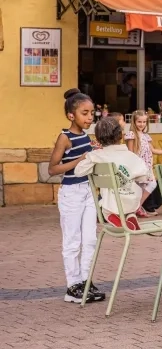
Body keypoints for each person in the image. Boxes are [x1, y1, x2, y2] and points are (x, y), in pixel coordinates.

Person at [47, 89, 105, 304]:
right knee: (72, 241)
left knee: (90, 239)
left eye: (92, 113)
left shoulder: (86, 136)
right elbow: (53, 169)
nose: (90, 117)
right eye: (85, 113)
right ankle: (72, 285)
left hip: (89, 191)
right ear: (71, 115)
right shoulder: (65, 137)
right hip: (71, 193)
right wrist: (81, 159)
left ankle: (85, 281)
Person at [77, 117, 156, 231]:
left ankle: (117, 221)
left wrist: (90, 156)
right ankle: (131, 216)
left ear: (98, 138)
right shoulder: (131, 156)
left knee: (105, 210)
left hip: (111, 202)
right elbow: (146, 175)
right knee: (132, 203)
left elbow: (78, 171)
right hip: (132, 200)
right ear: (121, 135)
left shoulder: (97, 155)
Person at [127, 110, 162, 214]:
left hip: (147, 166)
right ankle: (136, 208)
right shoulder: (131, 134)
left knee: (150, 185)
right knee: (143, 187)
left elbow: (153, 150)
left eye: (144, 122)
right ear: (134, 122)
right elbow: (130, 152)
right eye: (139, 122)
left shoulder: (146, 135)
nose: (142, 124)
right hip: (138, 166)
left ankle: (136, 207)